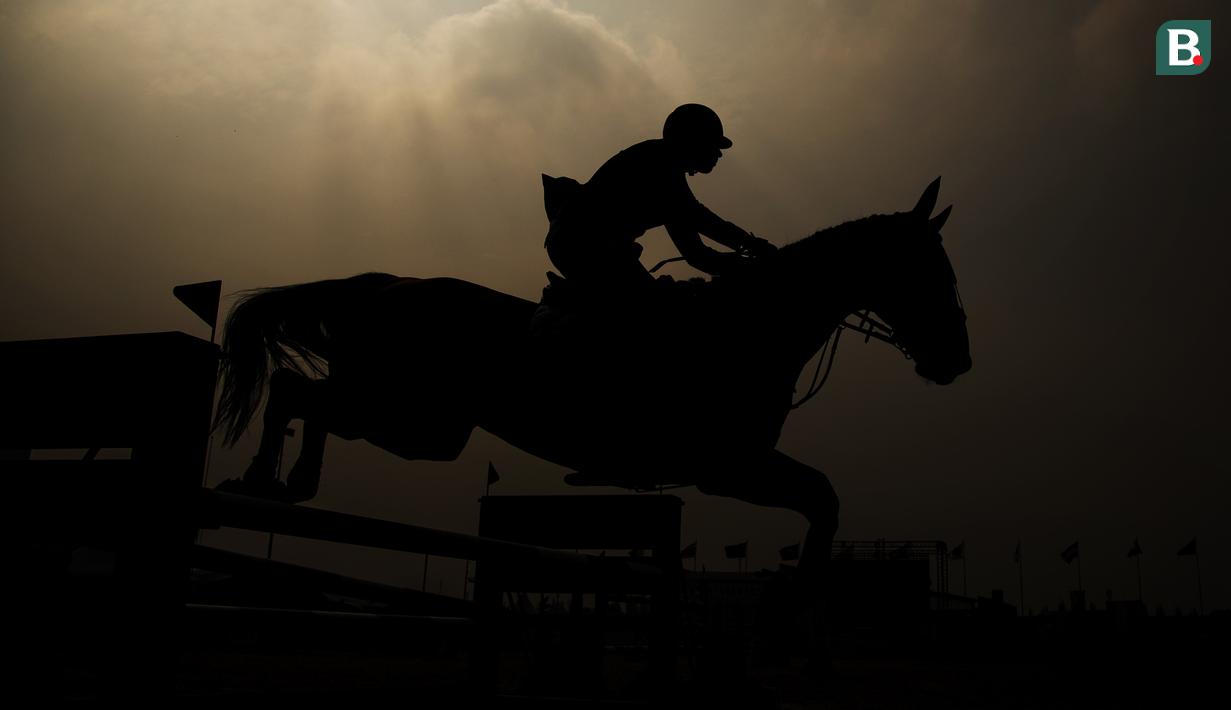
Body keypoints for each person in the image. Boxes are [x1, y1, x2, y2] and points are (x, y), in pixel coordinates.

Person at [541, 103, 775, 309]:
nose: (718, 154)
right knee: (654, 310)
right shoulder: (660, 168)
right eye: (713, 145)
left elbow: (696, 250)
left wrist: (744, 254)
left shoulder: (663, 167)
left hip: (584, 244)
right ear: (693, 140)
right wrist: (748, 246)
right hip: (583, 245)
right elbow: (699, 226)